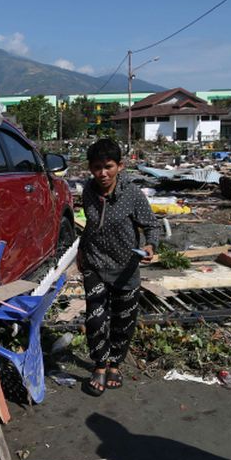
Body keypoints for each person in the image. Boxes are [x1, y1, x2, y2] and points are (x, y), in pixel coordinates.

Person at [77, 138, 159, 396]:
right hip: (95, 263)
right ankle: (100, 365)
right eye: (97, 167)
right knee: (96, 318)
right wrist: (80, 251)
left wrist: (150, 247)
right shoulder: (88, 190)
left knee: (123, 319)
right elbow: (91, 225)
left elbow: (152, 225)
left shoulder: (132, 195)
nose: (103, 173)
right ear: (90, 168)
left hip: (125, 266)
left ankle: (115, 364)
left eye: (108, 166)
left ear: (120, 166)